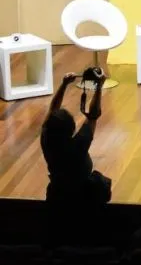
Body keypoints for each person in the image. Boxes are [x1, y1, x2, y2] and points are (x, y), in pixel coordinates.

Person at [41, 70, 110, 208]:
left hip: (57, 193)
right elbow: (93, 115)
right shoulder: (78, 144)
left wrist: (64, 85)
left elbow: (52, 111)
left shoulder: (47, 139)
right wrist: (98, 88)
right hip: (83, 196)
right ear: (71, 129)